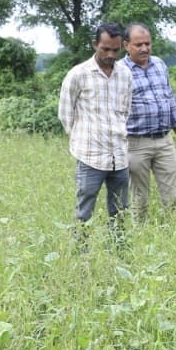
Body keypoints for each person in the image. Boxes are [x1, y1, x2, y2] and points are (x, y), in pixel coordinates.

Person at [57, 23, 132, 228]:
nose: (111, 55)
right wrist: (82, 139)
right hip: (90, 155)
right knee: (84, 209)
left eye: (115, 50)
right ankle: (81, 246)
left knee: (120, 209)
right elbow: (65, 114)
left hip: (119, 155)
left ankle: (119, 245)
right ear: (94, 45)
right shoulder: (78, 74)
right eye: (105, 49)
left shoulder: (125, 74)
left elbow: (126, 111)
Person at [123, 24, 176, 219]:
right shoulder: (119, 71)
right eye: (138, 45)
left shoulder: (159, 64)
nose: (144, 48)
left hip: (164, 140)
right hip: (135, 143)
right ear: (126, 45)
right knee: (139, 196)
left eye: (147, 44)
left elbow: (170, 100)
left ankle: (173, 229)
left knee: (172, 194)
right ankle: (140, 231)